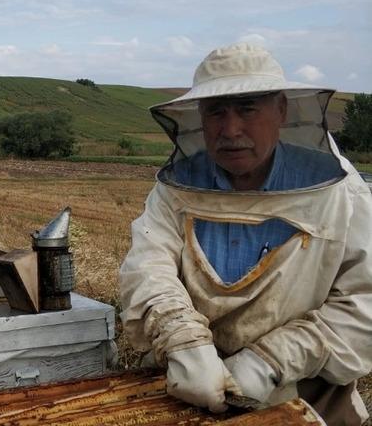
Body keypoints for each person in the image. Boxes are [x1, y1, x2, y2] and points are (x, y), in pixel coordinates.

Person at [119, 42, 372, 425]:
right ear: (200, 118)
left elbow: (363, 301)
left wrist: (270, 360)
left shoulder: (341, 192)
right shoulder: (176, 187)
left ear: (281, 110)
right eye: (216, 112)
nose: (231, 129)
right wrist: (182, 339)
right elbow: (148, 266)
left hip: (309, 394)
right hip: (190, 387)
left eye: (248, 108)